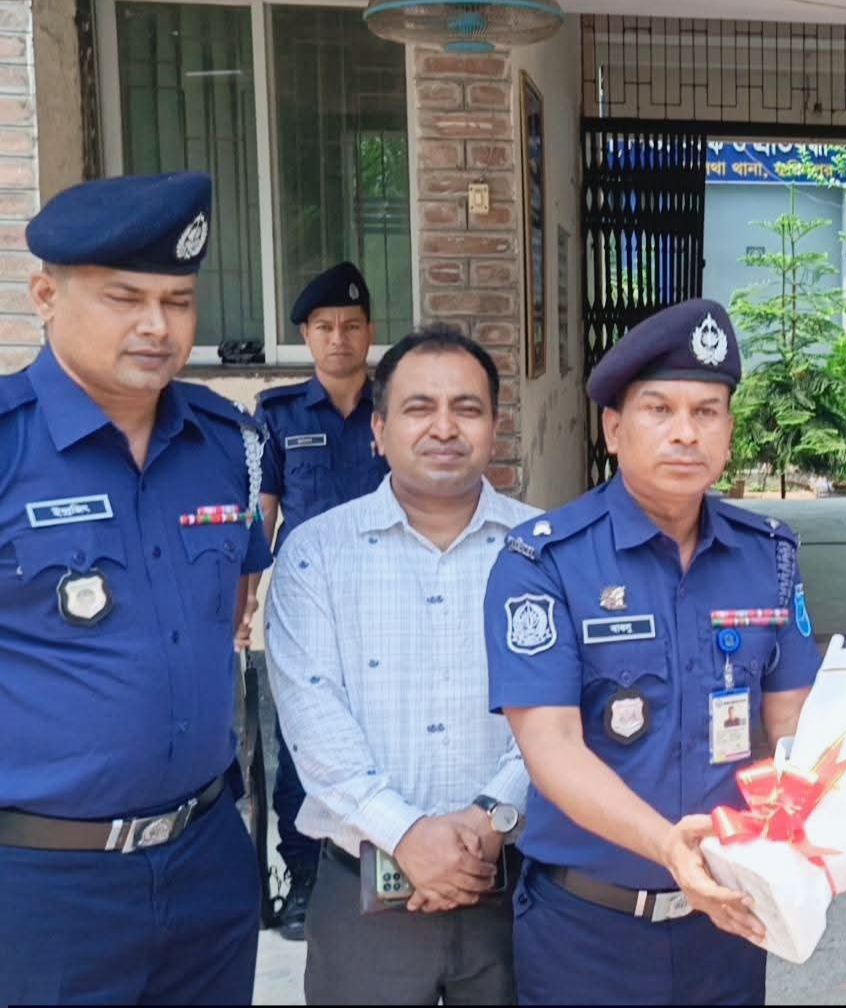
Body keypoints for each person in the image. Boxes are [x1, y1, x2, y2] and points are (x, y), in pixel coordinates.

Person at [483, 299, 820, 1005]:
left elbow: (795, 725)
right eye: (659, 410)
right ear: (613, 428)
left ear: (729, 431)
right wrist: (668, 845)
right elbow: (551, 749)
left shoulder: (769, 556)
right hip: (588, 931)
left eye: (706, 412)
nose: (685, 433)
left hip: (726, 924)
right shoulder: (544, 562)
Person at [0, 171, 270, 1005]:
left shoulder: (226, 443)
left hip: (206, 862)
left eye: (178, 301)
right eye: (125, 298)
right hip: (44, 882)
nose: (158, 326)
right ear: (46, 297)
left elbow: (233, 609)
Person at [266, 323, 536, 1005]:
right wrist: (407, 834)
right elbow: (312, 716)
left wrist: (492, 818)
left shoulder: (547, 549)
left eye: (467, 408)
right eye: (420, 408)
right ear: (379, 430)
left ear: (494, 427)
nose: (444, 427)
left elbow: (562, 709)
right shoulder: (315, 554)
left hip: (517, 888)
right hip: (364, 898)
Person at [239, 260, 391, 939]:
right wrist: (245, 603)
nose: (338, 338)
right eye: (324, 327)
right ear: (305, 335)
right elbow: (261, 516)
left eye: (350, 326)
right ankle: (304, 875)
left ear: (369, 332)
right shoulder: (278, 414)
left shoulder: (397, 403)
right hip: (308, 607)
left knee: (385, 727)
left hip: (389, 595)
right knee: (302, 738)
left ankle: (384, 855)